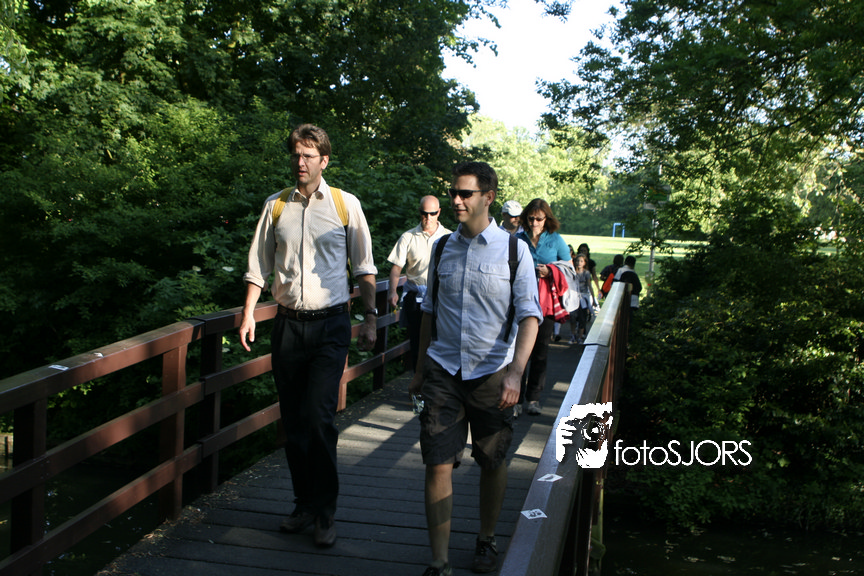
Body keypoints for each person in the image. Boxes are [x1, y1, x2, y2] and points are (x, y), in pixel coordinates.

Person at [239, 124, 379, 548]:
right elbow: (258, 265)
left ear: (324, 160)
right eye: (296, 155)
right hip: (287, 325)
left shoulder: (344, 205)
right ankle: (303, 504)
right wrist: (248, 313)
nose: (300, 163)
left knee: (319, 418)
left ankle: (325, 510)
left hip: (330, 325)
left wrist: (370, 318)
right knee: (294, 422)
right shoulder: (276, 205)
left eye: (308, 156)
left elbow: (365, 268)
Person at [410, 161, 541, 576]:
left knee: (493, 460)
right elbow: (429, 312)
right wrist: (419, 370)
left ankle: (486, 539)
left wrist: (516, 373)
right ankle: (439, 561)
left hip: (493, 373)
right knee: (437, 460)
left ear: (488, 197)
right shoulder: (441, 248)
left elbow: (530, 316)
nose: (455, 200)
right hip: (444, 369)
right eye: (453, 192)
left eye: (465, 193)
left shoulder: (514, 250)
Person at [515, 198, 571, 416]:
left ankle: (533, 399)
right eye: (531, 218)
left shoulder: (555, 239)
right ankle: (515, 399)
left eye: (539, 219)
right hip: (521, 302)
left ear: (547, 219)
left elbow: (569, 268)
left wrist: (551, 271)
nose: (535, 223)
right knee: (520, 352)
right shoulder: (518, 239)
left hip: (545, 304)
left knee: (540, 352)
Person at [387, 196, 451, 372]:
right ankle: (418, 380)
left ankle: (435, 381)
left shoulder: (449, 237)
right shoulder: (408, 237)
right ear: (419, 212)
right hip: (415, 297)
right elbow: (396, 268)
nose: (428, 218)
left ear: (439, 212)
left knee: (440, 341)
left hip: (441, 297)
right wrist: (392, 291)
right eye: (424, 213)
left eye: (432, 213)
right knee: (416, 341)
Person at [570, 253, 595, 344]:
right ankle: (573, 335)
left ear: (584, 263)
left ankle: (580, 336)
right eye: (577, 261)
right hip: (573, 296)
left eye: (581, 261)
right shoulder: (572, 272)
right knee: (572, 317)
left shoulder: (586, 273)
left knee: (582, 317)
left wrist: (593, 298)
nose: (579, 263)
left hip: (583, 296)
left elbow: (589, 285)